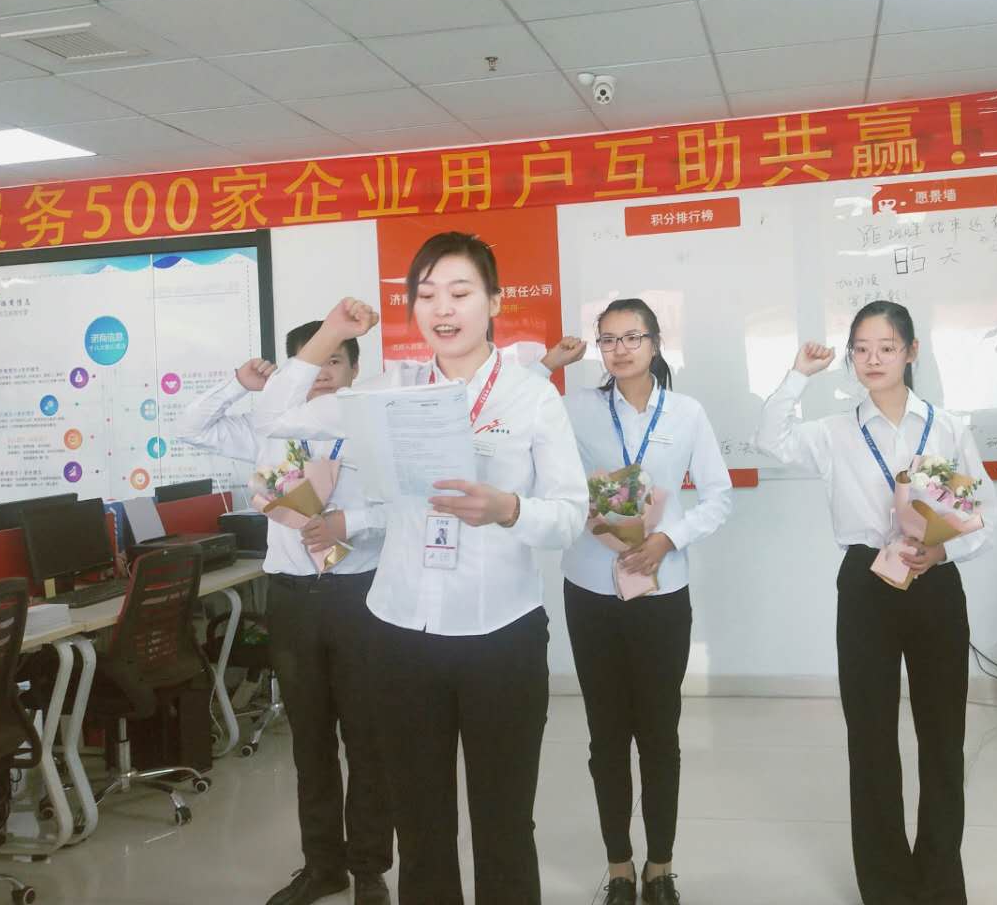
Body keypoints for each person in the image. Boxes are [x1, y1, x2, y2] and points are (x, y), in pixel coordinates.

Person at [250, 232, 587, 905]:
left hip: (501, 636)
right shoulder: (387, 390)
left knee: (503, 823)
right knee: (421, 825)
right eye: (426, 295)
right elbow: (274, 416)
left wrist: (508, 509)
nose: (443, 308)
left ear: (494, 302)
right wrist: (331, 334)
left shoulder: (531, 397)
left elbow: (571, 514)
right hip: (400, 635)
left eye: (460, 292)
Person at [755, 301, 997, 905]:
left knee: (942, 735)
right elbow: (770, 440)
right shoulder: (834, 432)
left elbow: (985, 514)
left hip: (935, 583)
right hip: (866, 583)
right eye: (861, 349)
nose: (873, 359)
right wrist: (797, 375)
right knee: (870, 737)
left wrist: (942, 552)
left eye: (887, 347)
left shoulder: (946, 426)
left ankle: (939, 881)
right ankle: (886, 885)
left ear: (911, 352)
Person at [173, 324, 392, 905]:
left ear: (355, 369)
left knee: (368, 740)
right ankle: (323, 867)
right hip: (293, 599)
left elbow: (405, 509)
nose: (322, 372)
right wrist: (237, 384)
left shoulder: (373, 428)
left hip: (361, 596)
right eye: (310, 361)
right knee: (309, 742)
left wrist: (350, 523)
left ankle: (370, 868)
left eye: (335, 360)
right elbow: (189, 427)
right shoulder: (269, 429)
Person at [539, 299, 731, 905]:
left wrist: (667, 539)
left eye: (632, 337)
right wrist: (548, 366)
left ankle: (660, 866)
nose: (619, 350)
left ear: (655, 342)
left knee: (660, 734)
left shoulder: (687, 413)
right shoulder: (574, 408)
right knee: (606, 735)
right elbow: (531, 452)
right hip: (590, 588)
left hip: (662, 590)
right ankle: (619, 866)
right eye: (608, 340)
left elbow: (719, 496)